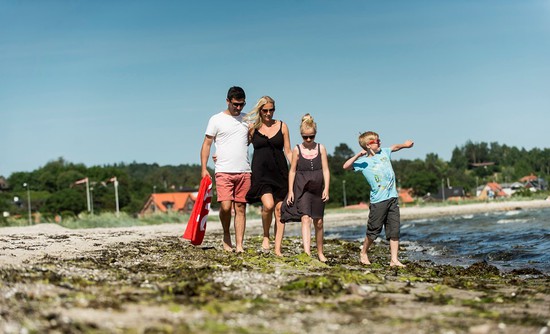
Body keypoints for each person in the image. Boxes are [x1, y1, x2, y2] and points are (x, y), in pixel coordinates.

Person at [342, 131, 414, 267]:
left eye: (379, 140)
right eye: (376, 141)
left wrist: (404, 145)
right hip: (378, 201)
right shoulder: (363, 162)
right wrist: (358, 154)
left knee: (394, 230)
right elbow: (345, 166)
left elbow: (394, 147)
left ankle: (394, 259)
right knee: (373, 230)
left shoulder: (384, 152)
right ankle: (363, 252)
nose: (380, 142)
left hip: (392, 198)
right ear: (368, 145)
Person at [200, 86, 251, 252]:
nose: (238, 108)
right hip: (223, 171)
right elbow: (207, 144)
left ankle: (240, 244)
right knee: (226, 207)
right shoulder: (216, 119)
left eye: (241, 104)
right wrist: (204, 168)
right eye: (235, 104)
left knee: (241, 208)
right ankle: (226, 233)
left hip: (244, 170)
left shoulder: (247, 119)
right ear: (228, 101)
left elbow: (249, 141)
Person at [279, 114, 330, 261]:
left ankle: (320, 252)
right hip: (302, 188)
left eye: (311, 137)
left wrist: (326, 188)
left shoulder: (321, 148)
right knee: (305, 218)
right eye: (305, 137)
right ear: (301, 135)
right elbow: (292, 171)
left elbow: (326, 170)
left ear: (315, 134)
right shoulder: (297, 149)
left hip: (318, 189)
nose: (308, 140)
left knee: (319, 221)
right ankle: (307, 253)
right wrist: (290, 191)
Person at [245, 96, 293, 251]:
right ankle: (266, 235)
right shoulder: (252, 128)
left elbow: (288, 151)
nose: (268, 113)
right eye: (265, 110)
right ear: (260, 110)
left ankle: (277, 248)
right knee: (269, 205)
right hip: (261, 174)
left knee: (280, 210)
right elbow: (240, 146)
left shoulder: (282, 126)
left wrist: (298, 167)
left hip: (280, 174)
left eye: (271, 110)